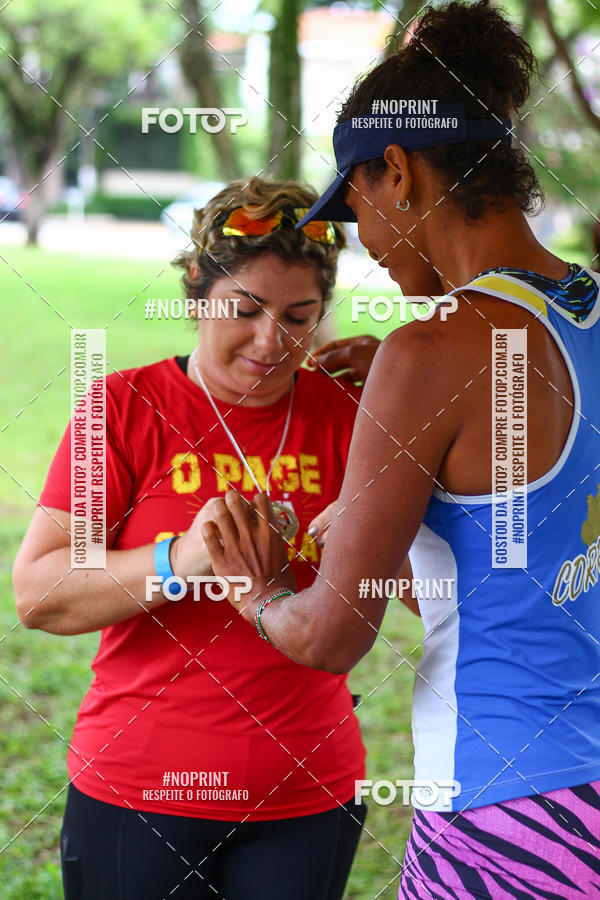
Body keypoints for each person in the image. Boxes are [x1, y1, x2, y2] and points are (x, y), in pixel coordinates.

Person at [199, 3, 600, 898]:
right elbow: (540, 512)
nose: (360, 240)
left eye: (356, 203)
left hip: (505, 806)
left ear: (399, 171)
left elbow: (331, 634)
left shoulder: (432, 352)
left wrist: (258, 591)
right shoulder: (581, 309)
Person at [12, 176, 369, 899]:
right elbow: (40, 593)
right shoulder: (124, 408)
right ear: (196, 295)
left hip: (308, 791)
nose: (273, 341)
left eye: (300, 316)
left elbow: (431, 597)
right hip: (137, 793)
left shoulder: (352, 414)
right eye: (246, 309)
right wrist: (185, 557)